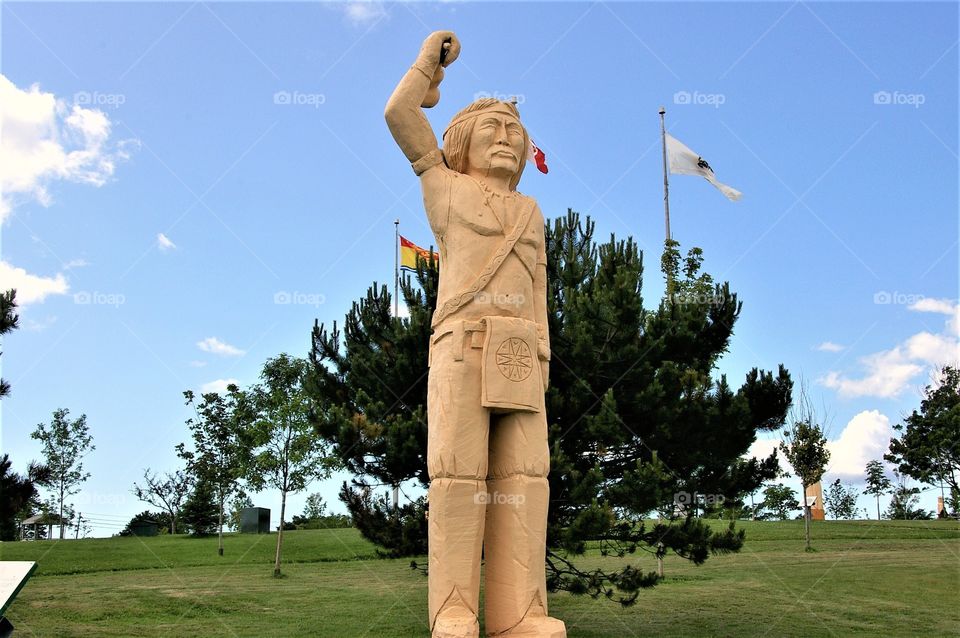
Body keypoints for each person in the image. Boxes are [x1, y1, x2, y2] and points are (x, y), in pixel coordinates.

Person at [385, 31, 566, 638]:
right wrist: (427, 67)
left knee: (525, 479)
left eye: (516, 131)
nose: (509, 138)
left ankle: (520, 613)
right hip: (462, 347)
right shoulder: (445, 186)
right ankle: (454, 610)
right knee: (459, 476)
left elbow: (539, 290)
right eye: (494, 128)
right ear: (460, 144)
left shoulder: (532, 212)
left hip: (521, 354)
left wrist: (543, 352)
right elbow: (399, 114)